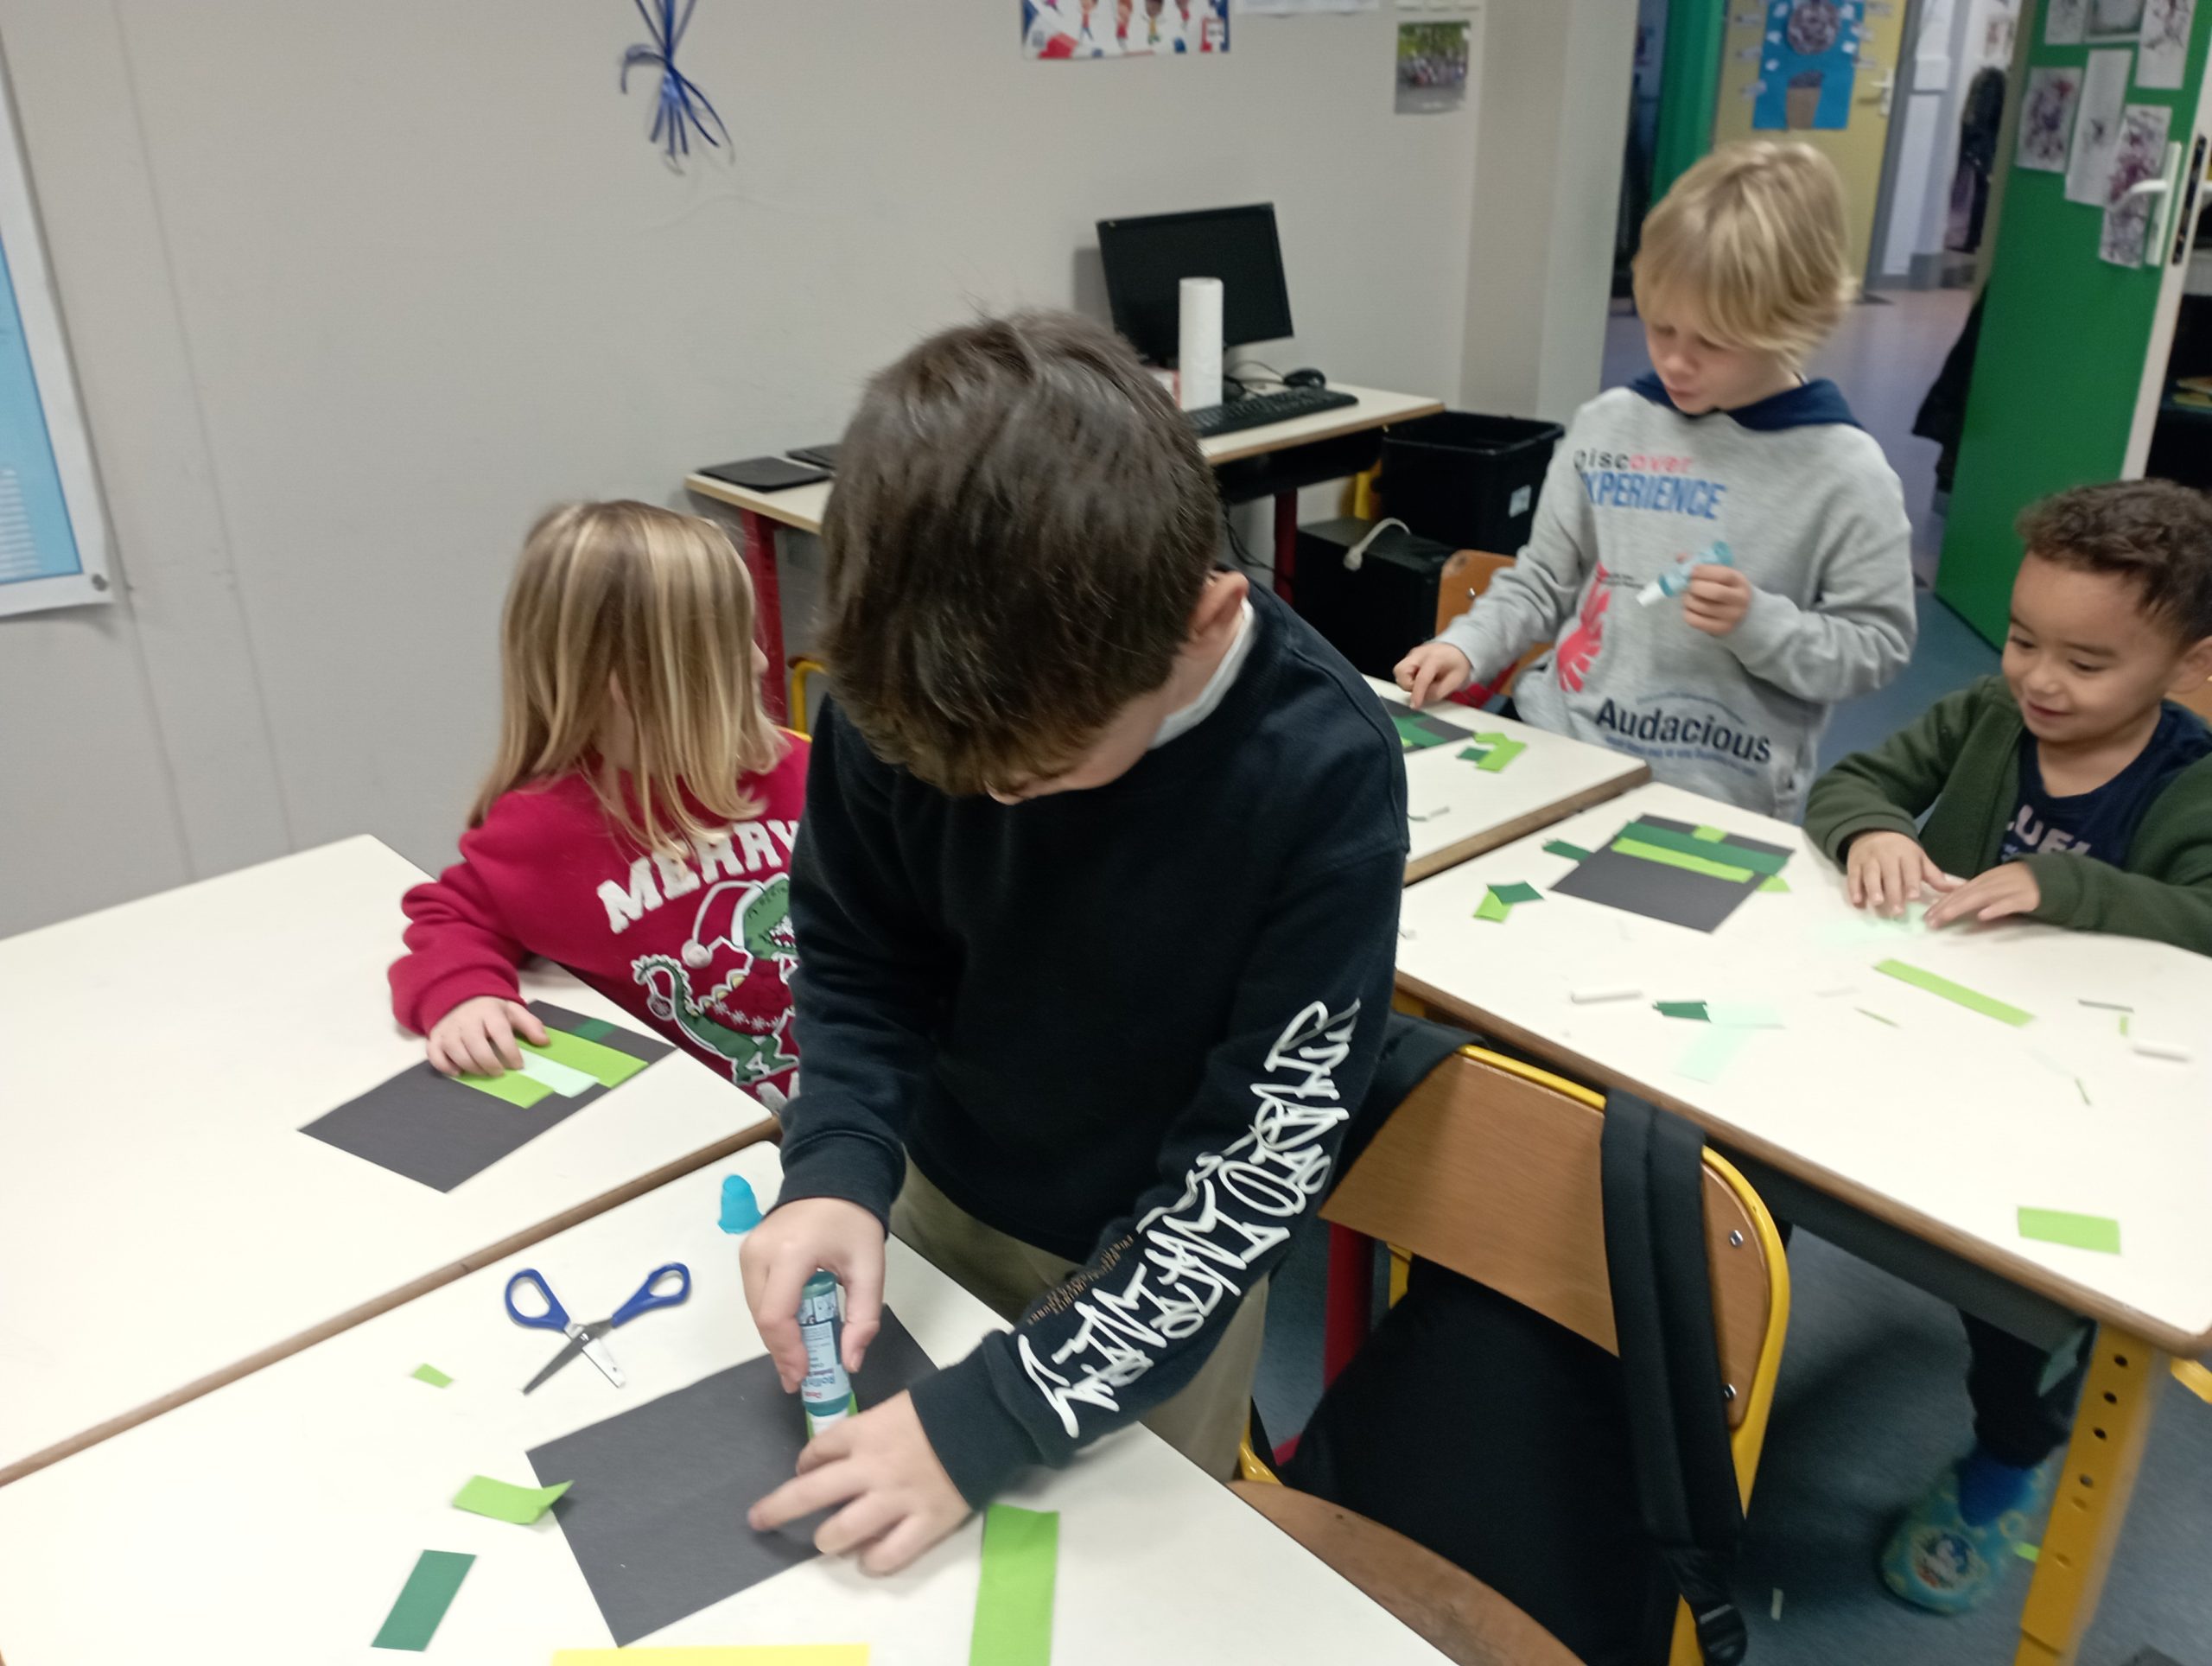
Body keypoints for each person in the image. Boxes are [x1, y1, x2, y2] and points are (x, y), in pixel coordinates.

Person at [740, 311, 1406, 1574]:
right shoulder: (909, 680)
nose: (995, 802)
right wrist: (835, 1160)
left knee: (1121, 1595)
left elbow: (1248, 1173)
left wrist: (997, 1415)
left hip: (1163, 1261)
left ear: (1203, 621)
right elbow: (863, 952)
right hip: (935, 1193)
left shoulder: (1319, 773)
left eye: (1040, 773)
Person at [1804, 479, 2212, 1612]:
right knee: (1751, 1161)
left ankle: (2004, 1463)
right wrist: (1873, 830)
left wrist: (2063, 887)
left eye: (2087, 662)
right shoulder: (1989, 713)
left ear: (2187, 663)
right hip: (1935, 1037)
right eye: (2024, 638)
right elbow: (1855, 781)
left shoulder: (2191, 782)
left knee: (2020, 1304)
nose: (2038, 678)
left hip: (2084, 1099)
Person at [1395, 140, 1916, 820]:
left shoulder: (1846, 473)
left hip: (1716, 794)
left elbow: (1876, 648)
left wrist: (1761, 625)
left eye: (1712, 342)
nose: (1675, 361)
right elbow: (1542, 581)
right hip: (1559, 743)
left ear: (1794, 323)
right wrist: (1466, 645)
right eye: (1661, 328)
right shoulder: (1608, 427)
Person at [389, 500, 805, 1097]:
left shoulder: (799, 769)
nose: (761, 662)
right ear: (628, 681)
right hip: (696, 1122)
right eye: (729, 645)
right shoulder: (543, 828)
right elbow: (451, 916)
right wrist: (464, 994)